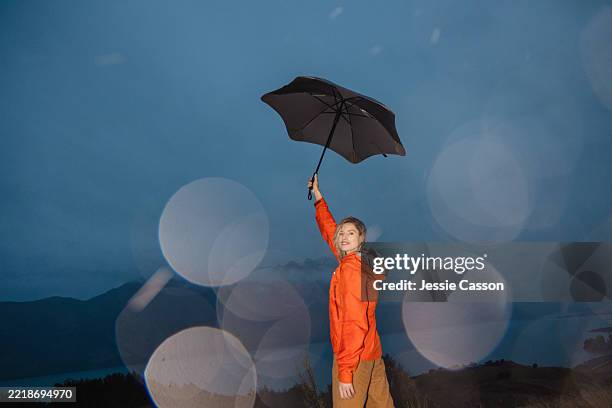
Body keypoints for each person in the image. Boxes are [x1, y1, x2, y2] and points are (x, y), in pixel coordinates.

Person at [308, 174, 395, 408]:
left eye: (351, 233)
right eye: (342, 233)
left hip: (354, 358)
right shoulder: (361, 262)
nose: (344, 236)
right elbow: (330, 231)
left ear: (361, 239)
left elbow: (354, 322)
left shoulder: (350, 271)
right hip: (372, 353)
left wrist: (345, 372)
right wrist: (318, 197)